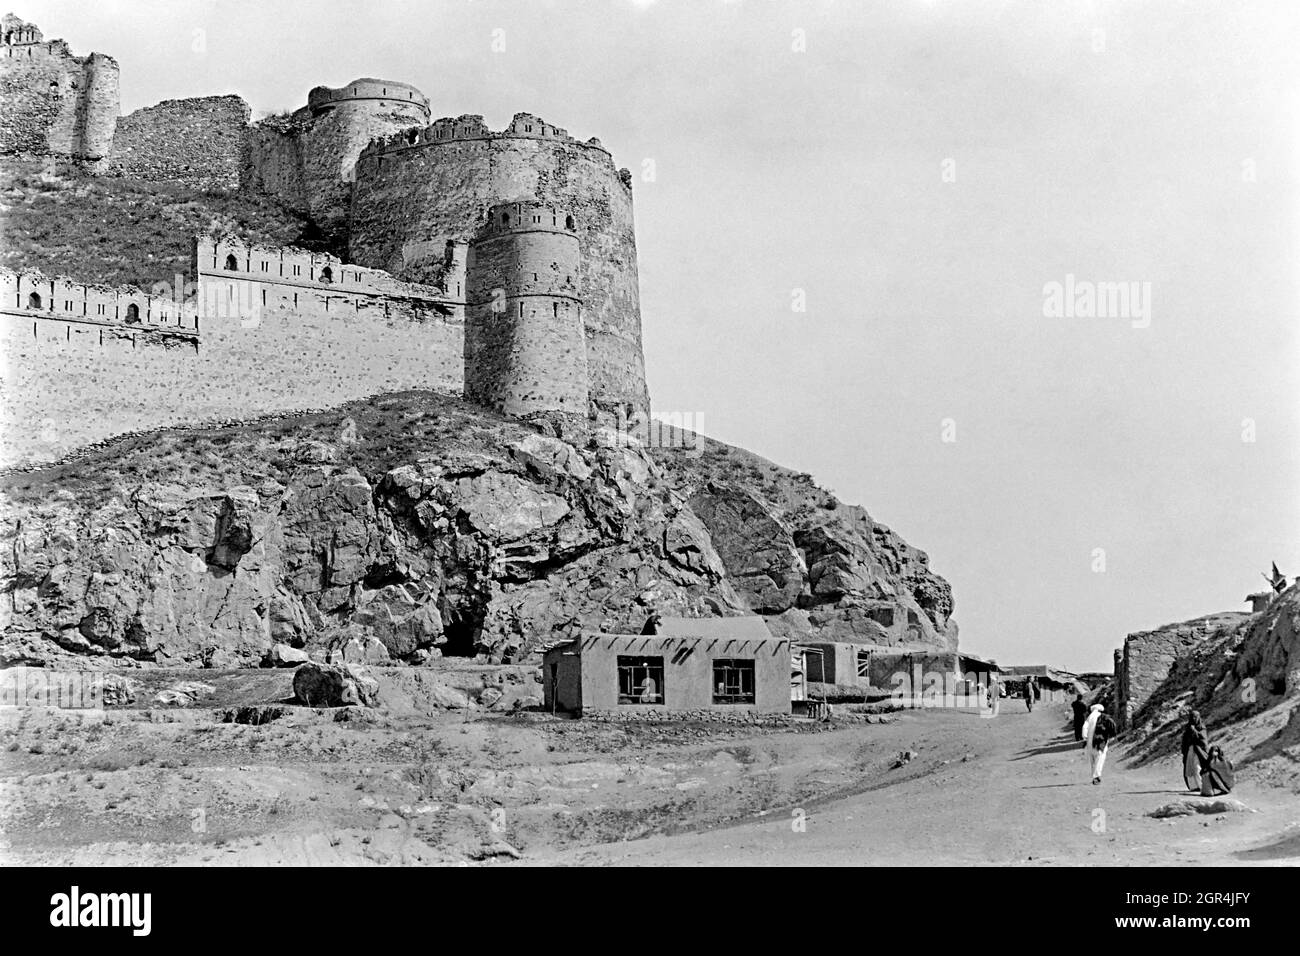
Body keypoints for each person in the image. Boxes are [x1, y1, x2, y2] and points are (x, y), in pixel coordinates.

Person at [1081, 703, 1118, 784]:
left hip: (1089, 742)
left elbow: (1084, 727)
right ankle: (1096, 777)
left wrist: (1085, 737)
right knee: (1100, 758)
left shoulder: (1089, 717)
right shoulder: (1103, 717)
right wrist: (1112, 736)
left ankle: (1094, 775)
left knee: (1092, 760)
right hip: (1100, 741)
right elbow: (1112, 725)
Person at [1180, 710, 1209, 792]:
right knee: (1189, 768)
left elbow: (1203, 739)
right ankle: (1193, 786)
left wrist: (1194, 731)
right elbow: (1184, 740)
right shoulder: (1188, 727)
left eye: (1195, 717)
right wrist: (1184, 751)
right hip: (1190, 751)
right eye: (1192, 717)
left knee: (1197, 768)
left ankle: (1202, 786)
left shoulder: (1201, 727)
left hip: (1199, 751)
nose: (1193, 718)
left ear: (1198, 717)